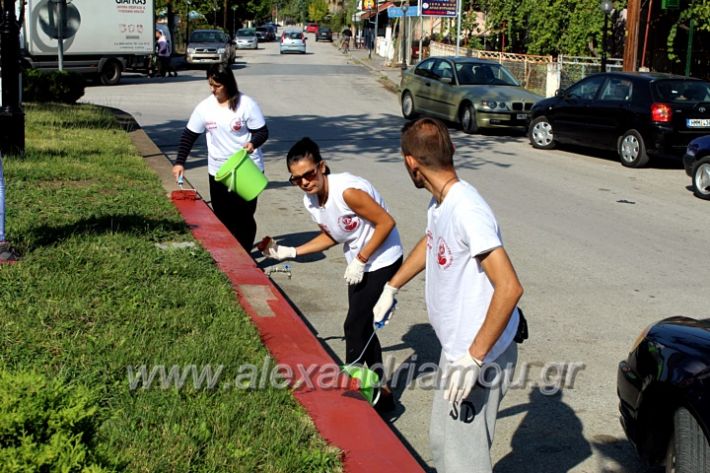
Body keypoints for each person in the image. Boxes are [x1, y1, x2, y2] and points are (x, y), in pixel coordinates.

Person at [373, 117, 523, 472]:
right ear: (450, 151)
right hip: (456, 349)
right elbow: (432, 241)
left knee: (463, 460)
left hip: (477, 353)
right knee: (443, 445)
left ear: (411, 163)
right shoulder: (440, 202)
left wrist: (474, 358)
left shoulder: (467, 210)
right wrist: (392, 285)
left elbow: (510, 286)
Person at [260, 137, 403, 412]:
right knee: (363, 325)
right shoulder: (311, 201)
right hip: (359, 262)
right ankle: (381, 390)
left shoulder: (347, 191)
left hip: (384, 258)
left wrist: (360, 259)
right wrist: (290, 252)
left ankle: (351, 389)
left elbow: (386, 222)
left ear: (322, 167)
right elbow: (332, 235)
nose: (305, 182)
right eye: (297, 179)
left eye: (309, 174)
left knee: (353, 326)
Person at [172, 64, 269, 251]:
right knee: (223, 215)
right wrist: (179, 162)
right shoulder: (205, 108)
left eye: (217, 86)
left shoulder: (246, 104)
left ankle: (244, 253)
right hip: (218, 171)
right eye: (210, 85)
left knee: (243, 216)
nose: (212, 90)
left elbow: (262, 132)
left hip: (245, 168)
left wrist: (253, 143)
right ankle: (230, 253)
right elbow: (189, 135)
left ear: (228, 83)